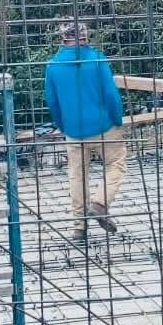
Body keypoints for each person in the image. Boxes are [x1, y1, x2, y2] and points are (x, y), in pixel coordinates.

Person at [42, 19, 126, 241]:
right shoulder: (97, 59)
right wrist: (118, 119)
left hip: (73, 130)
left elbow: (52, 101)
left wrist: (63, 124)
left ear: (63, 38)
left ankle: (79, 228)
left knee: (77, 176)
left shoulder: (53, 66)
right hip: (103, 126)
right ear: (85, 36)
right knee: (116, 163)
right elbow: (111, 95)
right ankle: (100, 203)